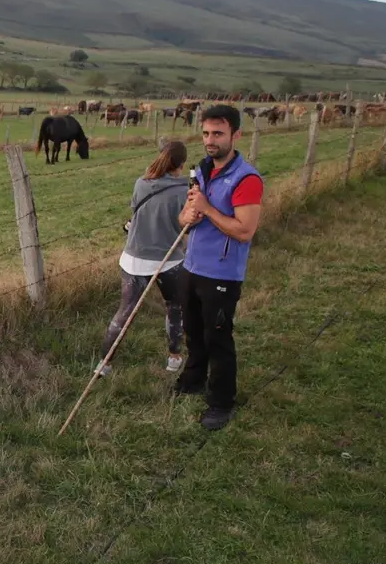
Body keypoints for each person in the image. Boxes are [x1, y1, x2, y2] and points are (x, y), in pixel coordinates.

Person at [176, 104, 264, 431]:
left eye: (218, 133)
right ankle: (193, 379)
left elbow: (244, 231)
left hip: (222, 272)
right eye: (205, 133)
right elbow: (184, 218)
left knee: (218, 338)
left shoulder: (247, 179)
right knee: (193, 331)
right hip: (192, 265)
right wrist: (188, 215)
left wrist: (208, 209)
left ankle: (221, 402)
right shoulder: (201, 171)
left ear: (236, 135)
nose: (210, 140)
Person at [96, 140, 190, 377]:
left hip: (133, 259)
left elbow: (138, 213)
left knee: (124, 312)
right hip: (168, 261)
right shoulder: (185, 192)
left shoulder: (141, 183)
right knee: (175, 307)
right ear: (182, 164)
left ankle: (104, 363)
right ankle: (174, 358)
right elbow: (187, 226)